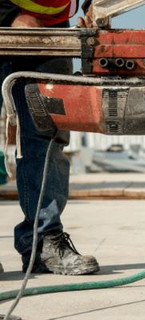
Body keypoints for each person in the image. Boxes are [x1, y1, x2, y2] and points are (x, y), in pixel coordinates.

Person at [0, 0, 99, 275]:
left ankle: (43, 243)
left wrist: (95, 7)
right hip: (12, 16)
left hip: (48, 27)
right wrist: (7, 14)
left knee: (47, 135)